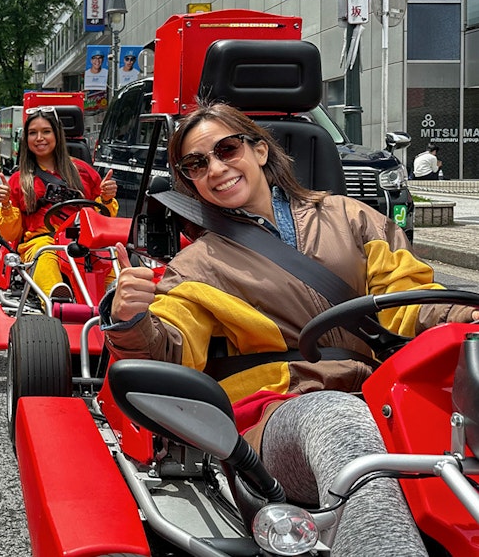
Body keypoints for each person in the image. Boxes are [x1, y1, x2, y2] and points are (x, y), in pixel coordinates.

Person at [101, 102, 479, 557]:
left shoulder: (351, 216)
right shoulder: (196, 266)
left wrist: (464, 316)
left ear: (259, 150)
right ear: (190, 180)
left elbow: (410, 301)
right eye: (197, 164)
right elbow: (172, 350)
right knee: (339, 419)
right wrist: (131, 319)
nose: (217, 168)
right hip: (279, 414)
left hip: (383, 396)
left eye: (227, 149)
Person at [0, 106, 118, 300]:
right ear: (26, 140)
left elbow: (104, 218)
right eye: (33, 133)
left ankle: (115, 304)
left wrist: (106, 198)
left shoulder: (82, 170)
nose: (39, 138)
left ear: (57, 135)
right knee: (45, 257)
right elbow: (11, 234)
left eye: (46, 131)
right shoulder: (20, 179)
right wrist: (5, 205)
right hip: (43, 241)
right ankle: (57, 301)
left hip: (84, 241)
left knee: (109, 260)